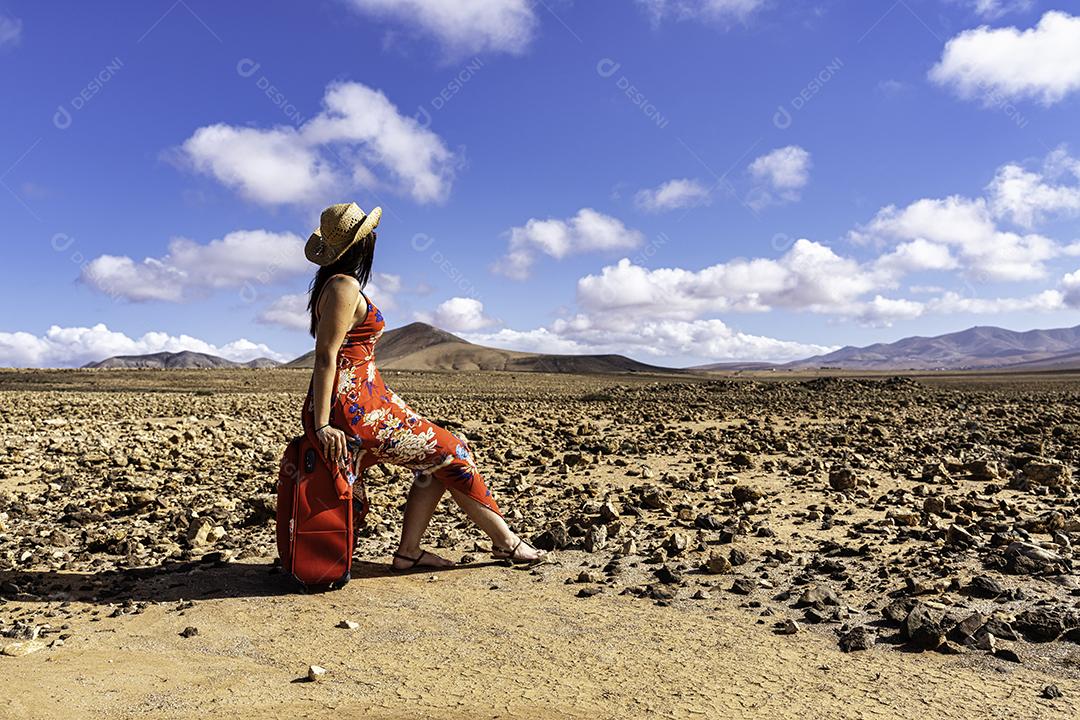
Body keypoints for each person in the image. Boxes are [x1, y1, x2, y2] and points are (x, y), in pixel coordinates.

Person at [302, 202, 545, 571]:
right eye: (368, 235)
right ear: (360, 245)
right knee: (452, 452)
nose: (375, 239)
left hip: (364, 401)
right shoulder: (343, 286)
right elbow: (326, 356)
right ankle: (505, 543)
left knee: (439, 457)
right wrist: (322, 424)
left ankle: (409, 553)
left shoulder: (335, 285)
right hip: (354, 408)